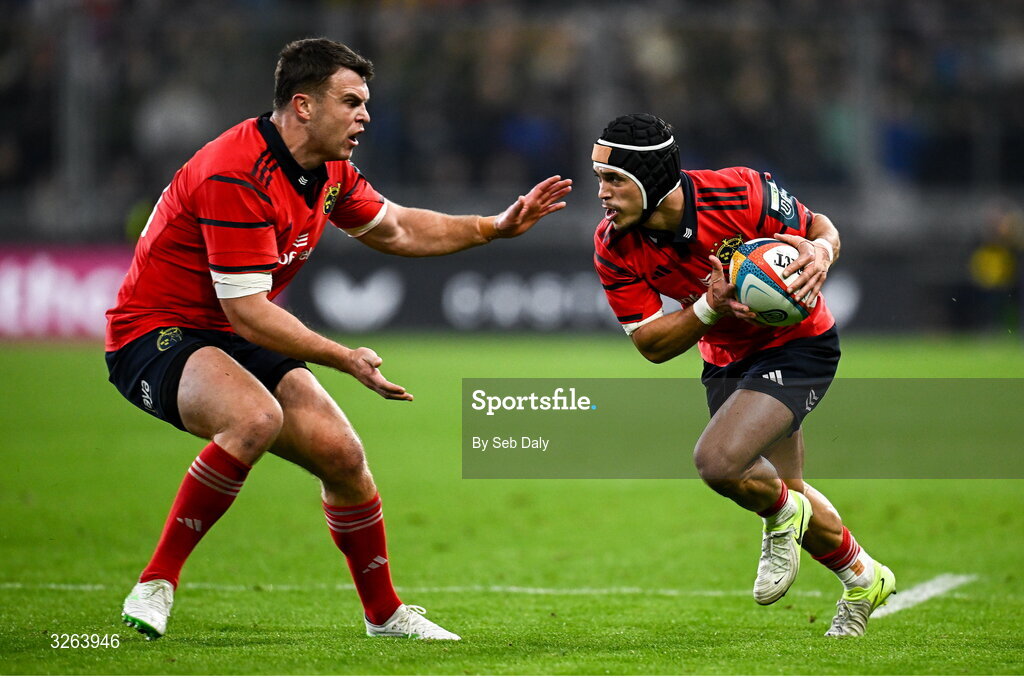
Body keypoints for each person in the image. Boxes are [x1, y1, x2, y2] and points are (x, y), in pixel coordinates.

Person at [105, 38, 572, 642]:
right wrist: (343, 357)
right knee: (253, 418)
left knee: (343, 457)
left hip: (226, 330)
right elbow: (248, 313)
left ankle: (385, 616)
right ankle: (156, 581)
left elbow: (398, 227)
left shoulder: (327, 172)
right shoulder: (235, 171)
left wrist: (492, 227)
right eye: (351, 101)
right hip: (155, 332)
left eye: (365, 102)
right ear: (302, 105)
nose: (365, 115)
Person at [590, 113, 893, 637]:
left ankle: (780, 520)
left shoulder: (738, 192)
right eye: (600, 179)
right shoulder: (613, 245)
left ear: (651, 180)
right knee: (783, 487)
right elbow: (651, 344)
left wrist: (821, 252)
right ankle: (864, 576)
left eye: (614, 179)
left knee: (718, 462)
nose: (602, 193)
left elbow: (819, 227)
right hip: (725, 358)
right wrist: (709, 308)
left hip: (800, 346)